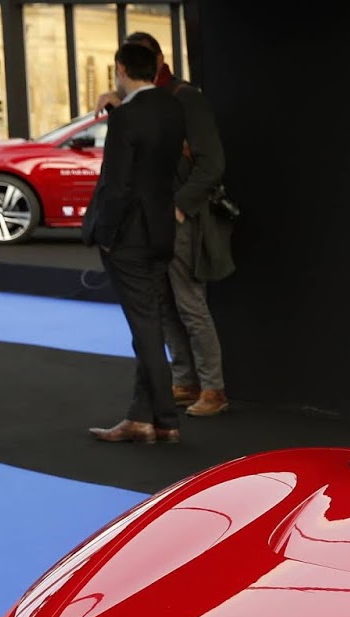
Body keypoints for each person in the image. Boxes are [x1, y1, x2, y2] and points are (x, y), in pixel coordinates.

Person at [98, 32, 234, 417]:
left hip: (176, 216)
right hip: (154, 217)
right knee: (165, 303)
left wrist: (179, 207)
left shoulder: (185, 98)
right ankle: (185, 379)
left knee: (189, 303)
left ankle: (213, 388)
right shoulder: (146, 101)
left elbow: (211, 163)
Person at [83, 41, 187, 444]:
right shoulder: (172, 107)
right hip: (161, 231)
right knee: (150, 325)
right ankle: (141, 419)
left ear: (120, 69)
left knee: (145, 330)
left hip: (128, 238)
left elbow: (118, 184)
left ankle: (165, 420)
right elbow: (152, 159)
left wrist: (107, 236)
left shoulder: (128, 117)